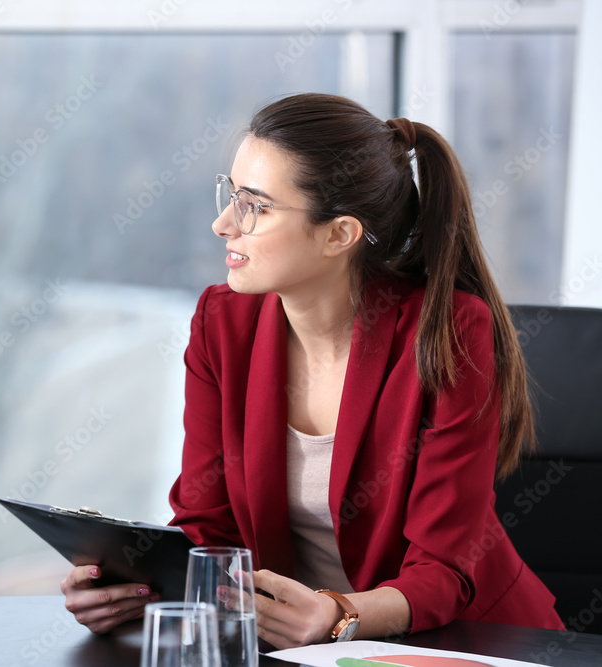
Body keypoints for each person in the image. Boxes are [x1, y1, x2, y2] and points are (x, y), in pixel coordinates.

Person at [61, 93, 564, 647]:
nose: (223, 223)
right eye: (231, 195)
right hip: (300, 648)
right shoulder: (221, 324)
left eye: (256, 205)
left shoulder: (450, 331)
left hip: (467, 641)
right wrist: (134, 589)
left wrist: (338, 614)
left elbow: (445, 569)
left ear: (338, 235)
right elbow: (208, 525)